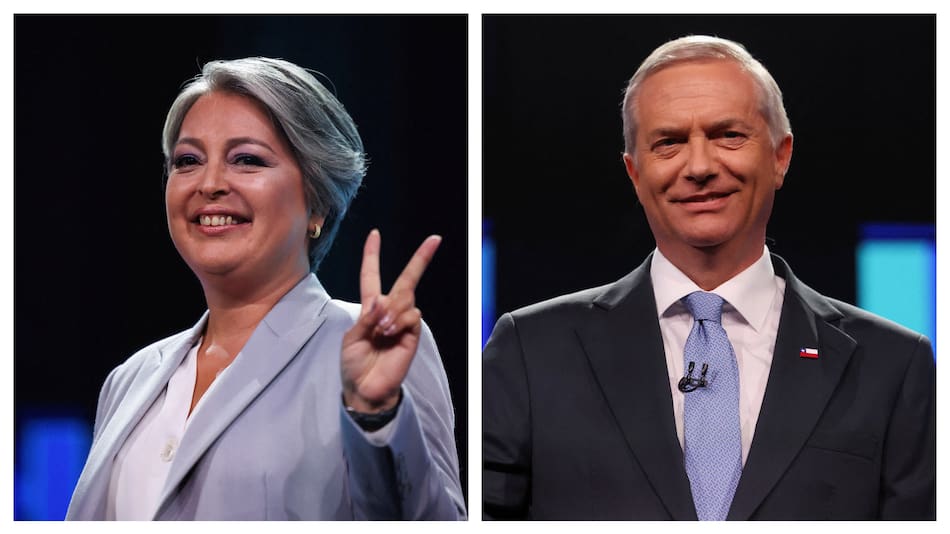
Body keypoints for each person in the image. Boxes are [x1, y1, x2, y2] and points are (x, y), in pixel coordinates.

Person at [482, 35, 935, 520]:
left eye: (728, 136)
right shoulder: (530, 350)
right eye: (669, 143)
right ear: (635, 174)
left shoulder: (894, 365)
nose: (698, 167)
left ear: (780, 156)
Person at [66, 57, 465, 520]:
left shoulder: (374, 347)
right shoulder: (130, 379)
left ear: (316, 201)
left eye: (247, 160)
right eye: (188, 161)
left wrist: (377, 417)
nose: (210, 184)